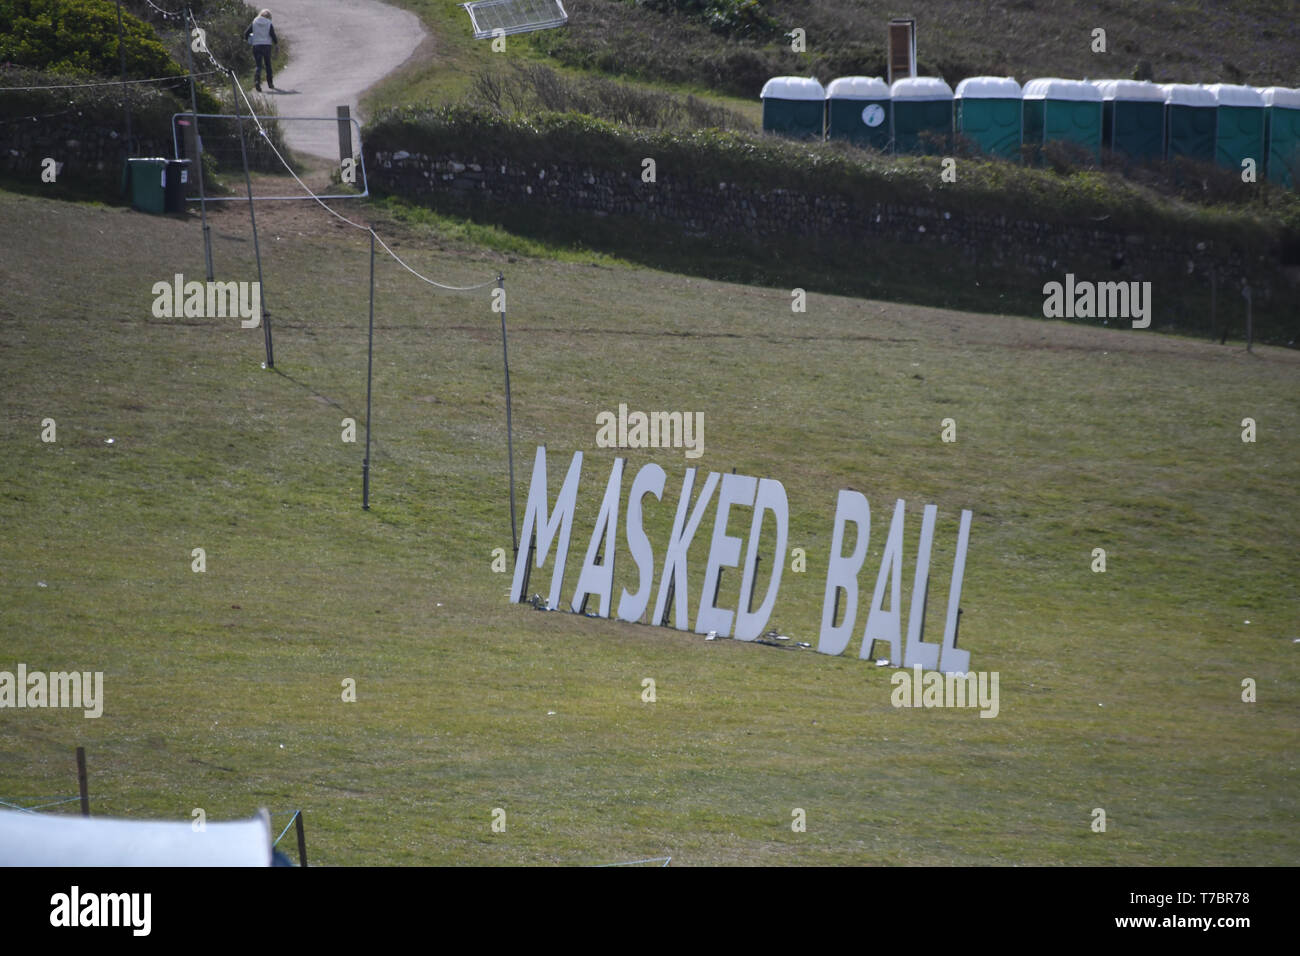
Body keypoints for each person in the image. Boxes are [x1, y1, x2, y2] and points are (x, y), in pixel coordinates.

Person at [243, 9, 278, 93]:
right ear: (269, 16)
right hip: (266, 46)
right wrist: (276, 44)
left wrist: (248, 40)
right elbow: (272, 34)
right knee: (268, 64)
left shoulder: (254, 22)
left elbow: (246, 33)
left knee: (258, 65)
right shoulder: (269, 23)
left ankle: (257, 82)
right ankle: (270, 83)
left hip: (257, 45)